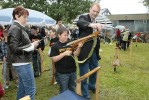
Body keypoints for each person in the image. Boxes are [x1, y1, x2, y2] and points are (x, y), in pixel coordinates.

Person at [8, 6, 39, 100]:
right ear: (17, 16)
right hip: (22, 62)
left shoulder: (18, 27)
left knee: (22, 90)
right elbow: (14, 48)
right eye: (24, 17)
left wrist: (32, 45)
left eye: (27, 17)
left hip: (22, 61)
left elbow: (18, 46)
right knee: (31, 89)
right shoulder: (15, 28)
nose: (27, 19)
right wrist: (31, 46)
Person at [77, 3, 103, 99]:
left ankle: (91, 86)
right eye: (94, 11)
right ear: (90, 9)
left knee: (94, 70)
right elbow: (80, 23)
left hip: (94, 52)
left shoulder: (96, 21)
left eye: (97, 12)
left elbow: (94, 37)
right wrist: (91, 25)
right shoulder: (84, 17)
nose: (95, 13)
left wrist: (99, 31)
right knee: (84, 74)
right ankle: (85, 95)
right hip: (84, 52)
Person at [50, 27, 83, 93]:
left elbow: (76, 54)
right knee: (64, 91)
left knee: (73, 89)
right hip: (62, 73)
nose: (66, 37)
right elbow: (54, 59)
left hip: (72, 70)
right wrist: (64, 54)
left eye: (67, 35)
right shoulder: (55, 46)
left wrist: (79, 47)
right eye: (65, 35)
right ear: (59, 35)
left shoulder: (71, 43)